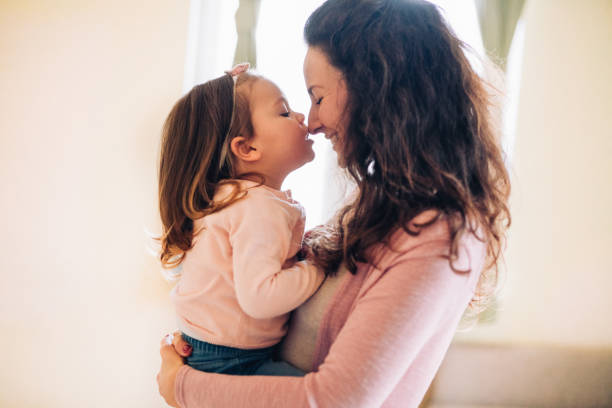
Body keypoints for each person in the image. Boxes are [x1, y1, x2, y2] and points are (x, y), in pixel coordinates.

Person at [157, 0, 511, 406]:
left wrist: (180, 385)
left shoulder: (437, 236)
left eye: (318, 97)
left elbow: (333, 401)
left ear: (376, 90)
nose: (311, 121)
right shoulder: (379, 207)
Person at [157, 63, 325, 376]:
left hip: (212, 351)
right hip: (232, 362)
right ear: (246, 148)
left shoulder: (234, 198)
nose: (302, 117)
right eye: (285, 113)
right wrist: (320, 266)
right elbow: (262, 298)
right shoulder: (256, 206)